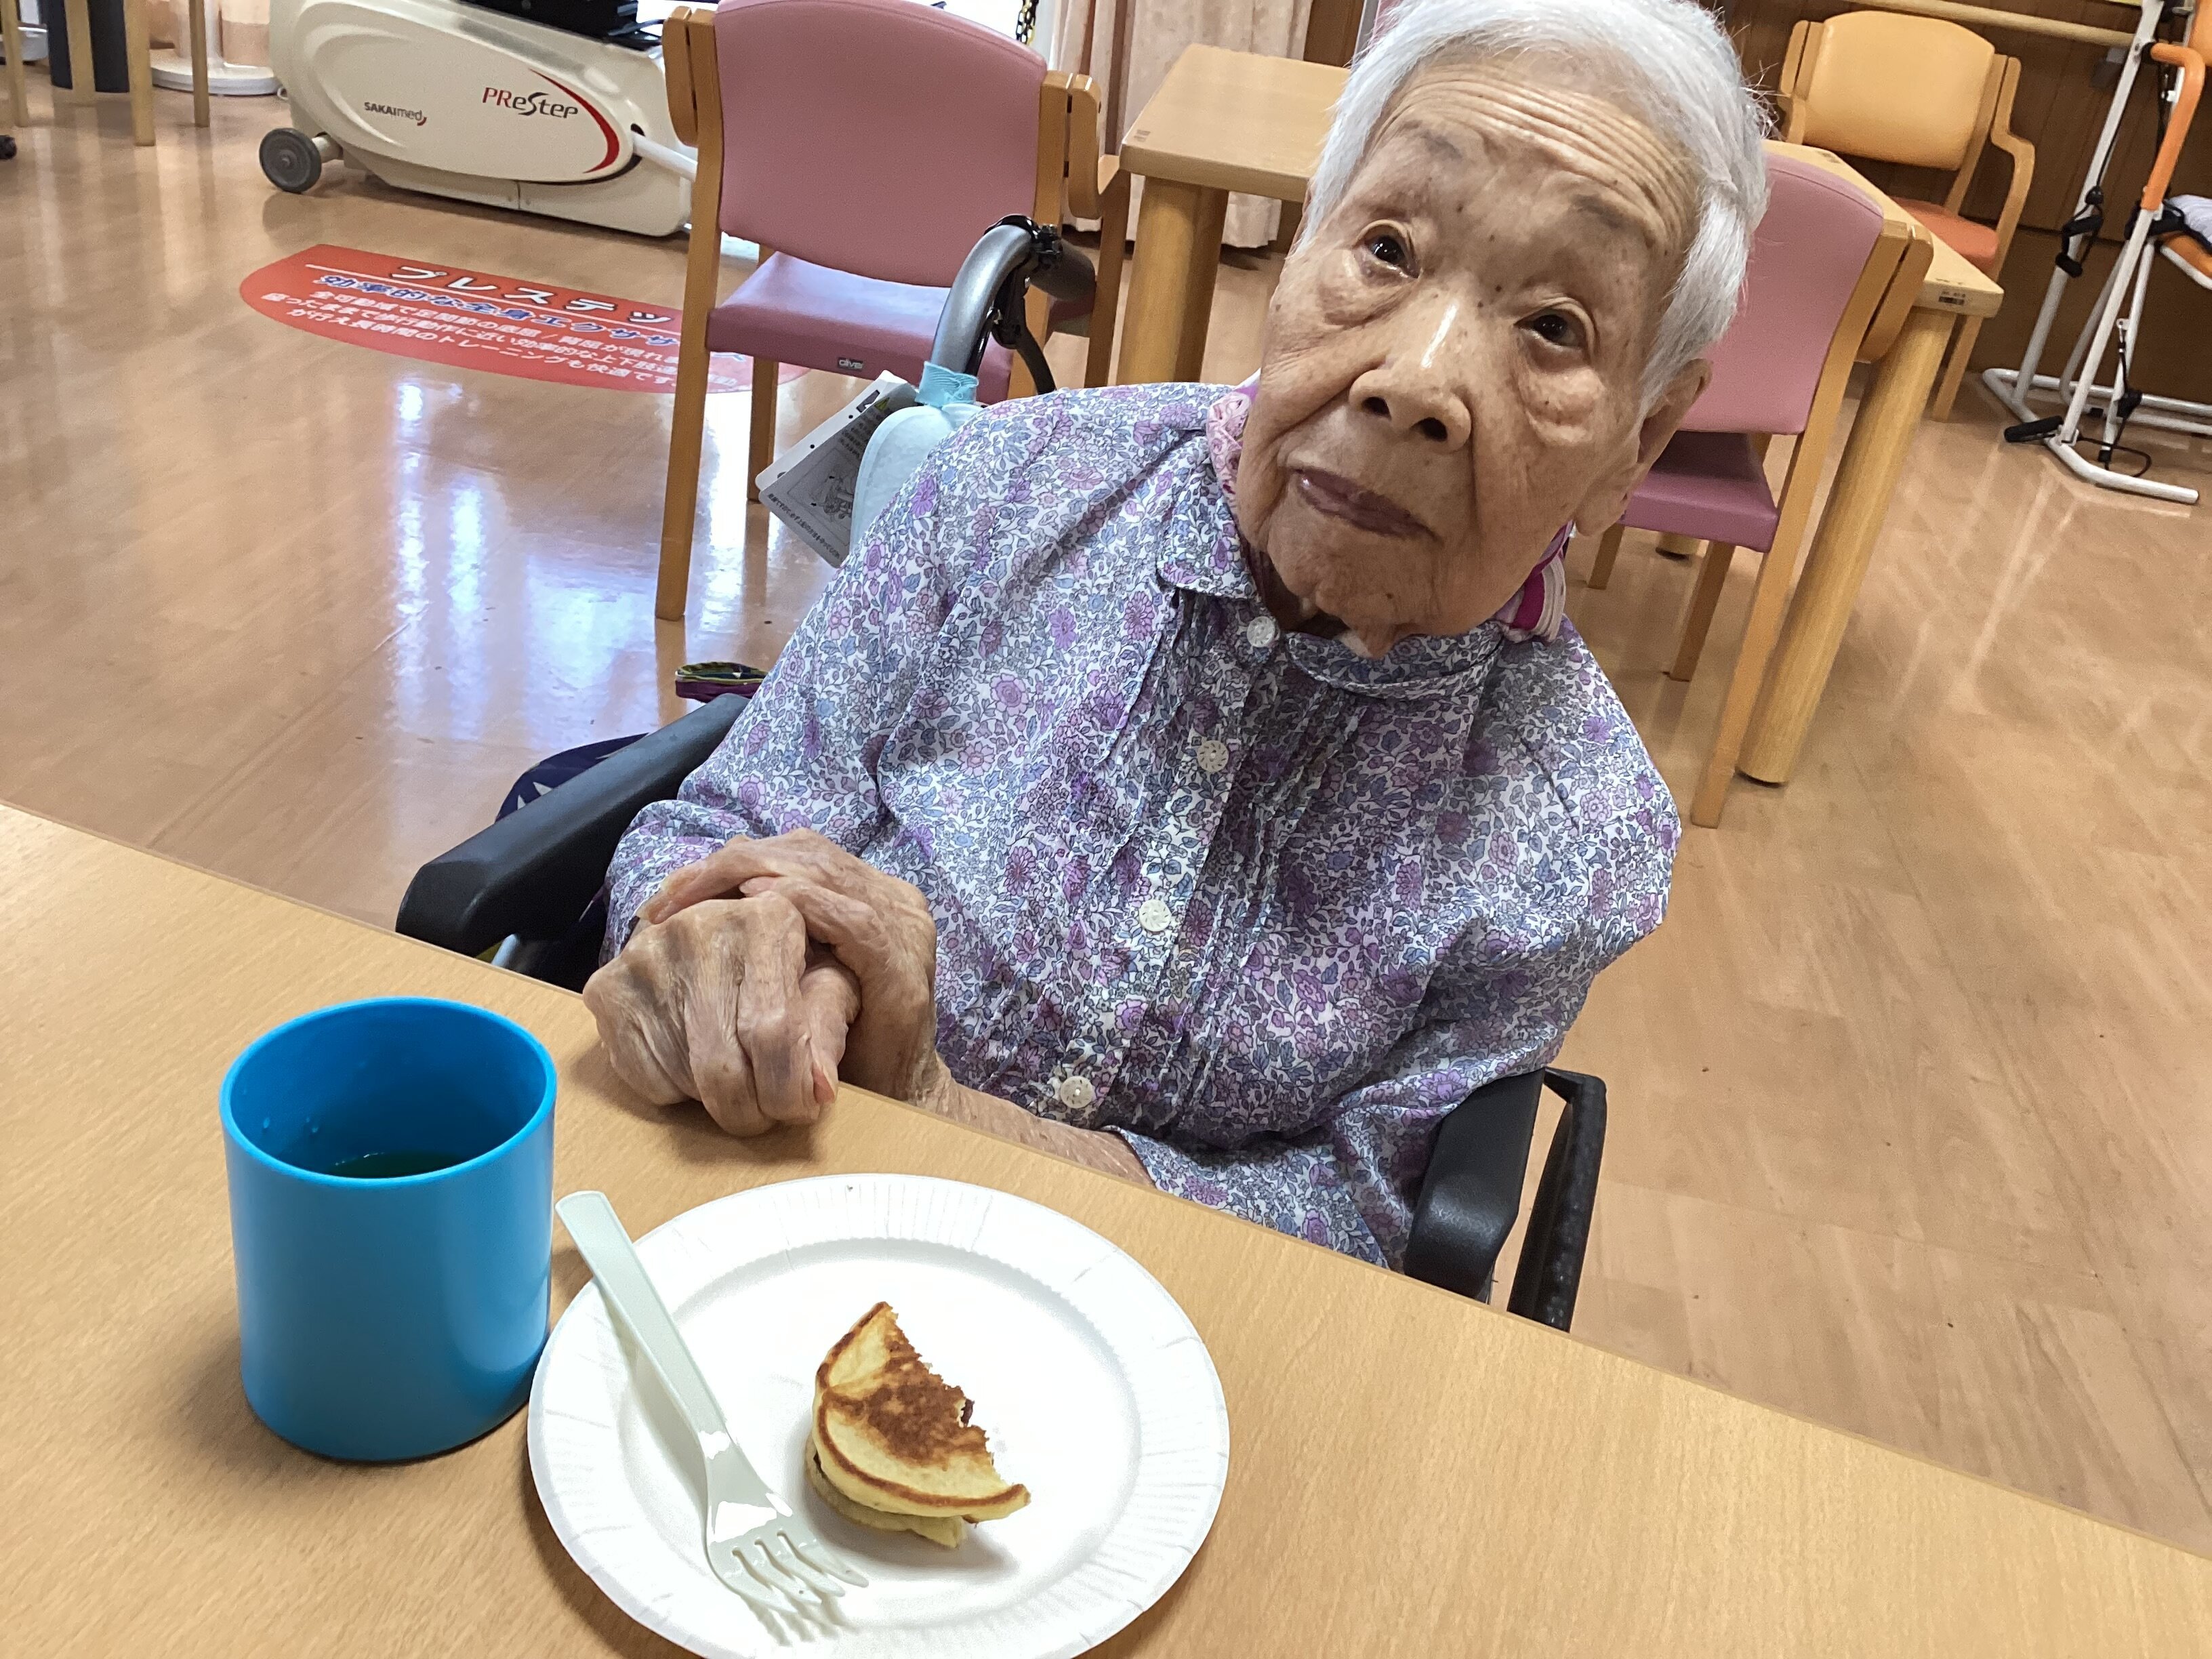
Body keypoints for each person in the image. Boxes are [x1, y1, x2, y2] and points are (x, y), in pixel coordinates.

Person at [583, 0, 1769, 1268]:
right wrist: (735, 958)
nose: (1415, 380)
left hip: (1182, 1330)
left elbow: (1366, 1222)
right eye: (1385, 248)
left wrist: (936, 1110)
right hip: (771, 1204)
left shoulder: (1577, 832)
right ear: (1303, 248)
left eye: (1555, 327)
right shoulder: (1004, 487)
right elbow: (717, 828)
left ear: (1642, 438)